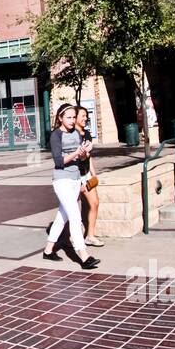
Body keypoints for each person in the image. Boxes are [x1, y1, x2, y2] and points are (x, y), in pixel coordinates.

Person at [45, 104, 100, 269]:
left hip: (76, 179)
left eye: (73, 117)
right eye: (68, 117)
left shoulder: (76, 133)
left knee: (62, 217)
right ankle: (84, 256)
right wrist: (77, 152)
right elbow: (59, 161)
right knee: (75, 216)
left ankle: (48, 251)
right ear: (60, 118)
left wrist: (85, 153)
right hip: (62, 180)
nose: (72, 120)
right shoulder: (56, 135)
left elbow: (82, 160)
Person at [74, 106, 103, 247]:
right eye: (82, 116)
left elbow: (88, 156)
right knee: (71, 208)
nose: (85, 118)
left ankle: (90, 236)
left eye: (86, 116)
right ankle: (69, 237)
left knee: (95, 202)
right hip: (74, 175)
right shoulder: (71, 135)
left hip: (85, 174)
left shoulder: (87, 134)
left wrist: (93, 173)